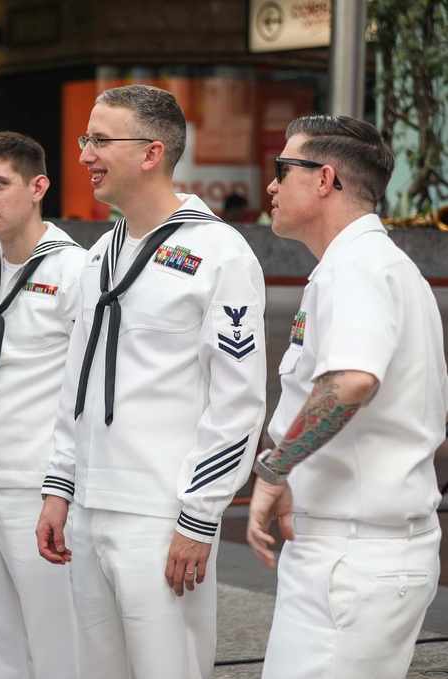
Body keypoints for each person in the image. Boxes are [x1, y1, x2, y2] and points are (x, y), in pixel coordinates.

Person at [34, 84, 267, 678]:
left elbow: (237, 403)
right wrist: (60, 486)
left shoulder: (219, 252)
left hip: (161, 515)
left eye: (100, 140)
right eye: (86, 139)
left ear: (151, 152)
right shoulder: (99, 255)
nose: (84, 154)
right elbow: (76, 385)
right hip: (88, 509)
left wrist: (200, 515)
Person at [246, 115, 448, 678]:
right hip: (363, 552)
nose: (272, 185)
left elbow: (353, 381)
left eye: (283, 169)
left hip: (354, 558)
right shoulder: (379, 265)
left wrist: (275, 470)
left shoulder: (356, 266)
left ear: (325, 179)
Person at [0, 131, 84, 678]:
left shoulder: (76, 270)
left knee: (57, 646)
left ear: (38, 187)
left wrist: (64, 486)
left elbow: (81, 393)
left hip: (39, 487)